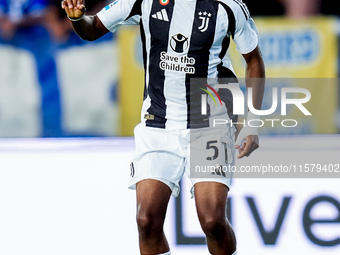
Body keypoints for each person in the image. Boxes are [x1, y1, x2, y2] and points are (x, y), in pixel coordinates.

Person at [62, 0, 265, 254]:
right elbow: (92, 29)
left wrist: (253, 123)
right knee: (146, 221)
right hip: (157, 122)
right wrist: (77, 18)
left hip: (210, 122)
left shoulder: (228, 7)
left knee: (212, 220)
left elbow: (254, 60)